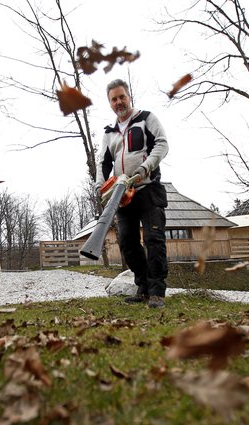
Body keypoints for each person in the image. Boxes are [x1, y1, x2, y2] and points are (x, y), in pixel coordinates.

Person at [95, 79, 169, 308]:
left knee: (153, 239)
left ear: (129, 97)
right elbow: (103, 163)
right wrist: (100, 185)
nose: (119, 102)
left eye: (122, 97)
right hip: (122, 195)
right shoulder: (109, 133)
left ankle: (157, 292)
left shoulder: (146, 119)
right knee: (127, 242)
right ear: (110, 103)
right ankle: (143, 286)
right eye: (114, 99)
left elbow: (162, 144)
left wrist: (145, 168)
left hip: (148, 188)